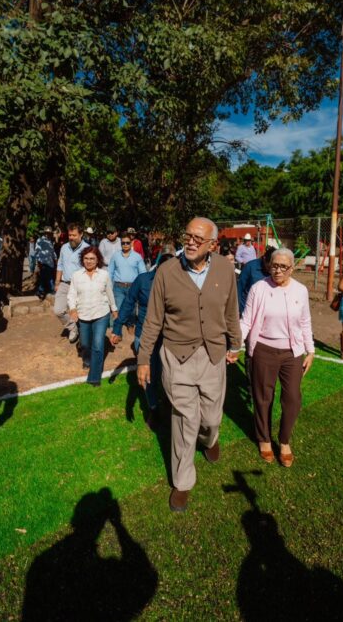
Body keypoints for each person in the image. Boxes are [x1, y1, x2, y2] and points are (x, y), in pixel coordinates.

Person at [137, 217, 242, 512]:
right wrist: (144, 358)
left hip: (213, 355)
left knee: (209, 417)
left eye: (199, 238)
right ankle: (182, 482)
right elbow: (153, 319)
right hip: (177, 358)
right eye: (188, 236)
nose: (191, 241)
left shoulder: (224, 268)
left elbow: (231, 309)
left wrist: (235, 343)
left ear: (212, 245)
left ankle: (210, 439)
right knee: (184, 421)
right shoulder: (167, 272)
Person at [239, 249, 315, 467]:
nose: (278, 270)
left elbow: (305, 322)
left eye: (283, 266)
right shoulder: (259, 288)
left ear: (292, 267)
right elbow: (246, 321)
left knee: (292, 398)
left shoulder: (300, 290)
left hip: (292, 352)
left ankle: (284, 440)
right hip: (263, 349)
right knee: (263, 397)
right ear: (268, 265)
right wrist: (236, 345)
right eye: (274, 265)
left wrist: (310, 351)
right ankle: (264, 438)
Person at [111, 246, 176, 425]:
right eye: (165, 259)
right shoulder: (143, 280)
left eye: (172, 260)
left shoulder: (181, 283)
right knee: (149, 375)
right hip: (145, 335)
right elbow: (128, 303)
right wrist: (117, 327)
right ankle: (153, 408)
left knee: (172, 375)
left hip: (171, 337)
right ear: (158, 262)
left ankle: (171, 404)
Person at [67, 246, 118, 386]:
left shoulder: (104, 275)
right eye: (86, 258)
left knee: (97, 344)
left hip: (101, 314)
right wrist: (73, 309)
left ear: (98, 260)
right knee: (85, 343)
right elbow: (71, 294)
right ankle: (87, 359)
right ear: (82, 260)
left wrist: (114, 309)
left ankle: (94, 377)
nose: (89, 261)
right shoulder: (76, 275)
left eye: (92, 259)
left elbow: (109, 293)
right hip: (83, 315)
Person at [54, 223, 87, 342]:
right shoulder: (64, 247)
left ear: (81, 234)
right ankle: (72, 327)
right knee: (58, 310)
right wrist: (57, 282)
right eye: (70, 235)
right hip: (64, 283)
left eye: (74, 235)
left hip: (80, 286)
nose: (71, 237)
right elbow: (60, 264)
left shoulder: (87, 249)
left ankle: (84, 336)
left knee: (81, 312)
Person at [110, 233, 148, 323]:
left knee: (132, 309)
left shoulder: (137, 257)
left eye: (127, 243)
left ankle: (130, 326)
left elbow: (142, 273)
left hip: (132, 287)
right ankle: (118, 330)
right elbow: (110, 272)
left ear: (131, 244)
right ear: (121, 244)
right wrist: (109, 286)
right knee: (118, 308)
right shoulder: (115, 256)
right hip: (118, 287)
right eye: (123, 243)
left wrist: (142, 287)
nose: (125, 245)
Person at [237, 245, 277, 316]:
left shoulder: (277, 270)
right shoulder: (250, 267)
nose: (271, 270)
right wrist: (241, 311)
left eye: (273, 267)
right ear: (264, 258)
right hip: (247, 311)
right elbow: (239, 290)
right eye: (269, 266)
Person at [34, 227, 58, 298]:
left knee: (44, 277)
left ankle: (41, 291)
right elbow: (37, 251)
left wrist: (55, 259)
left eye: (50, 233)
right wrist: (38, 261)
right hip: (43, 262)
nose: (49, 234)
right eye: (47, 233)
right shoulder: (40, 240)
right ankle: (51, 289)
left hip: (50, 263)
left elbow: (52, 252)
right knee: (48, 277)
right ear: (45, 233)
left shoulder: (50, 242)